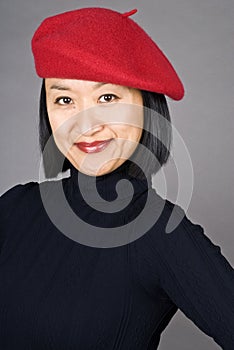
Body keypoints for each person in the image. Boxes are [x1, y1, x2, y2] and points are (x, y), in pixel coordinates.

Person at [0, 7, 233, 350]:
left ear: (145, 104)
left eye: (107, 97)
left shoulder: (162, 235)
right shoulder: (15, 207)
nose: (86, 124)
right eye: (64, 99)